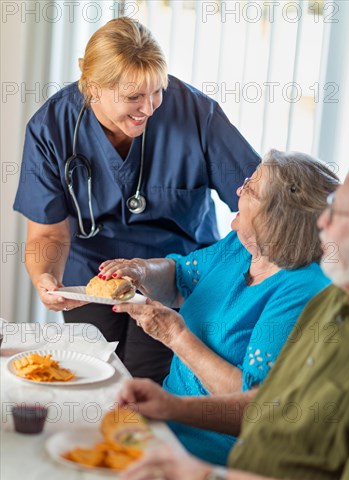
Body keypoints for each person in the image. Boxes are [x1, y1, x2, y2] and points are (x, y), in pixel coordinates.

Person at [116, 163, 349, 480]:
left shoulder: (307, 290)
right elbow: (267, 404)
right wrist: (173, 407)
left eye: (339, 213)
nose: (323, 226)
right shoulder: (335, 302)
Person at [13, 17, 260, 384]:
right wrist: (46, 278)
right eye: (133, 97)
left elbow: (258, 200)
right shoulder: (52, 127)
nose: (149, 107)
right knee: (94, 383)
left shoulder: (195, 114)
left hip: (175, 275)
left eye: (157, 90)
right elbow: (48, 234)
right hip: (91, 279)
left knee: (151, 388)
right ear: (93, 88)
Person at [102, 150, 337, 464]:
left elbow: (254, 405)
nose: (239, 191)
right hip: (162, 427)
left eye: (250, 189)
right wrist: (141, 271)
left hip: (213, 455)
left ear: (277, 217)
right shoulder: (240, 246)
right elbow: (180, 274)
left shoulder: (304, 290)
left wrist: (174, 336)